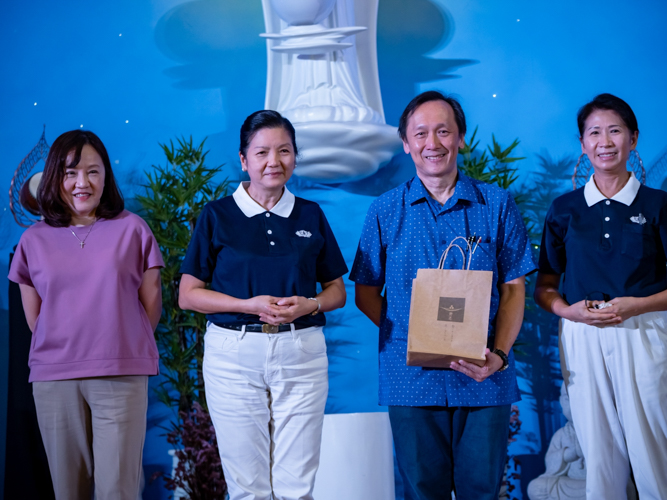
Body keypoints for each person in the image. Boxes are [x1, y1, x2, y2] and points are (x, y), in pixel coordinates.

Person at [350, 90, 536, 499]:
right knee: (421, 491)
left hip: (484, 374)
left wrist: (499, 356)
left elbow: (513, 289)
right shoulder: (385, 210)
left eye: (443, 131)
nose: (432, 143)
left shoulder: (497, 204)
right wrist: (417, 334)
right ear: (406, 143)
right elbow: (364, 290)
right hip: (410, 378)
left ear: (461, 138)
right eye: (421, 134)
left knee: (481, 490)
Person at [178, 110, 348, 500]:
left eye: (284, 151)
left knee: (297, 485)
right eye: (262, 153)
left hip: (301, 352)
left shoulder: (310, 214)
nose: (274, 161)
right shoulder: (217, 215)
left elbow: (337, 292)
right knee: (247, 487)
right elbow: (188, 294)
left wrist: (309, 304)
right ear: (243, 159)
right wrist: (248, 304)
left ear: (295, 156)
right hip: (233, 353)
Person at [8, 130, 164, 500]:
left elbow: (151, 302)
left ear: (106, 177)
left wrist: (118, 341)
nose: (83, 183)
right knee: (68, 492)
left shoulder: (132, 229)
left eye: (93, 172)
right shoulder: (33, 240)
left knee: (118, 490)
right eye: (70, 172)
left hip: (121, 375)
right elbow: (35, 319)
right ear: (53, 179)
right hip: (55, 379)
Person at [534, 93, 667, 499]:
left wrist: (638, 305)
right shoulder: (564, 209)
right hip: (582, 334)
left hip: (644, 332)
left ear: (633, 139)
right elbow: (544, 287)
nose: (604, 141)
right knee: (598, 453)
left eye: (615, 131)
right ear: (582, 143)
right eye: (594, 132)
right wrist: (567, 311)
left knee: (654, 448)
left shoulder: (658, 205)